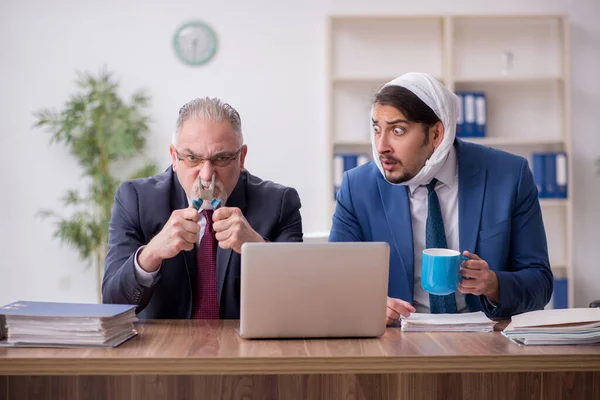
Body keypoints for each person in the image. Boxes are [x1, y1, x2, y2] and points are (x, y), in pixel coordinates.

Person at [329, 72, 552, 323]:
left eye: (398, 130)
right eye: (377, 129)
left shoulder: (509, 176)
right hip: (396, 340)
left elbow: (540, 284)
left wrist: (493, 284)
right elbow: (335, 284)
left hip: (486, 340)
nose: (381, 146)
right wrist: (369, 304)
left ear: (436, 134)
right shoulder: (357, 187)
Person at [103, 97, 303, 319]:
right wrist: (151, 254)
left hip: (244, 350)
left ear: (242, 157)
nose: (207, 175)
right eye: (192, 158)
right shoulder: (136, 199)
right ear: (174, 157)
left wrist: (258, 249)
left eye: (222, 158)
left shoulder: (280, 203)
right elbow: (112, 304)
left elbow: (300, 302)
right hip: (163, 350)